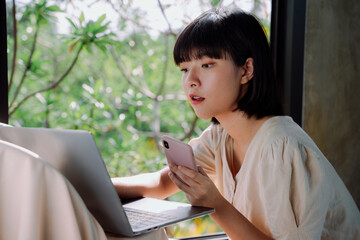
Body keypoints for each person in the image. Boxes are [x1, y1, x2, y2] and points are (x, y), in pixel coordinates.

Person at [112, 8, 360, 239]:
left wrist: (215, 204)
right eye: (185, 69)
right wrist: (88, 183)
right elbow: (162, 183)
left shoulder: (279, 146)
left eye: (207, 65)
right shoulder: (220, 138)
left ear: (246, 70)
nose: (191, 81)